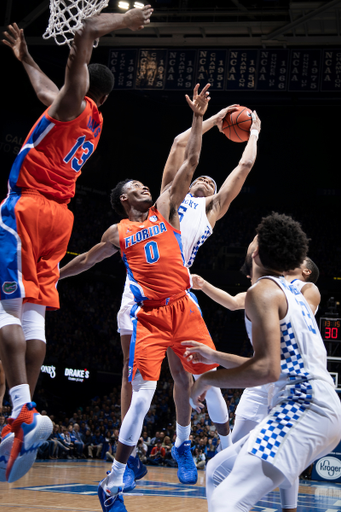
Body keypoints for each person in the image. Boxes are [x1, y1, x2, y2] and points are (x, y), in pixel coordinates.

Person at [60, 100, 261, 485]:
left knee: (187, 376)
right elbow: (179, 148)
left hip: (179, 292)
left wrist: (251, 134)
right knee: (132, 376)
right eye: (203, 178)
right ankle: (127, 459)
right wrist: (213, 118)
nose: (207, 182)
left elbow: (242, 168)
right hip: (140, 291)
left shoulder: (208, 210)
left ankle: (187, 444)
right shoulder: (166, 198)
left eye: (211, 184)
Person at [0, 5, 153, 484]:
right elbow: (52, 90)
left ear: (89, 87)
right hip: (60, 221)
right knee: (34, 313)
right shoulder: (90, 119)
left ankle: (21, 410)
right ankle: (27, 405)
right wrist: (26, 58)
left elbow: (84, 32)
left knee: (5, 309)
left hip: (26, 207)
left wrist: (117, 25)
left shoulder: (76, 99)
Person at [183, 212, 341, 512]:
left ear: (256, 252)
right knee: (217, 470)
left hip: (303, 407)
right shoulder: (286, 294)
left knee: (228, 502)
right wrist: (215, 357)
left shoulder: (264, 290)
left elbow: (267, 369)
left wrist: (207, 378)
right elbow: (273, 362)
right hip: (315, 406)